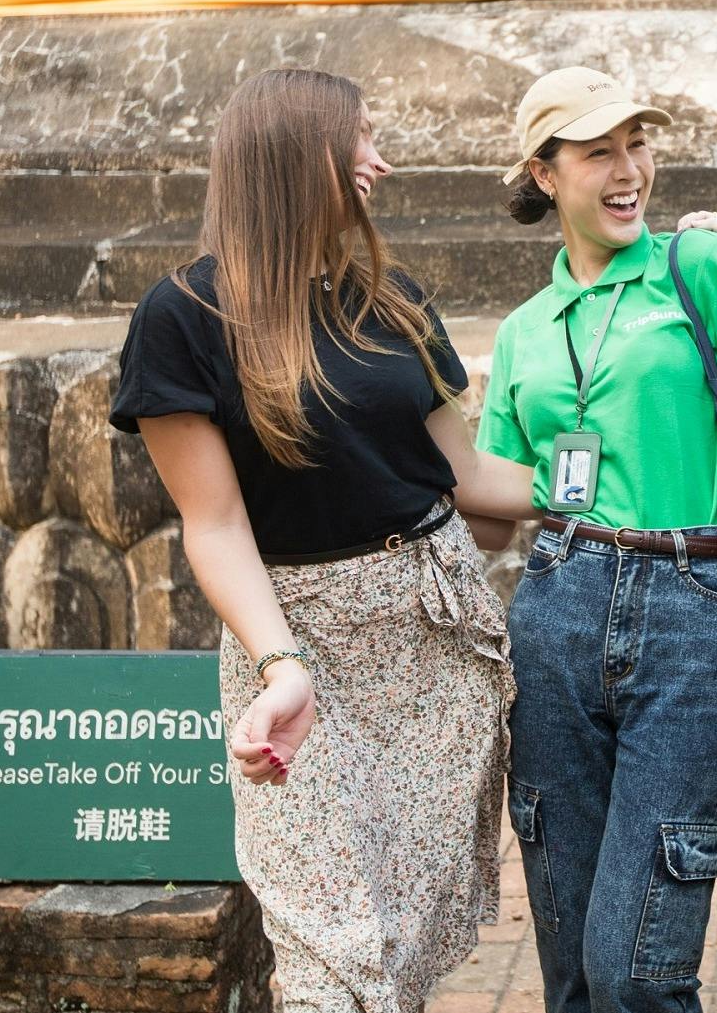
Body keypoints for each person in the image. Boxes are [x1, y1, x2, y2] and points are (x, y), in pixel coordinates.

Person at [109, 67, 545, 1013]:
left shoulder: (390, 300)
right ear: (295, 156)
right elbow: (215, 524)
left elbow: (467, 479)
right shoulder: (181, 317)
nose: (379, 164)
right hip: (298, 642)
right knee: (328, 952)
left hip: (431, 642)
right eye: (362, 144)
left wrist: (611, 492)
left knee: (394, 941)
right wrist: (281, 665)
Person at [479, 65, 717, 1013]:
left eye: (639, 145)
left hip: (689, 607)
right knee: (575, 974)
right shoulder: (524, 332)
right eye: (599, 152)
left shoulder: (693, 267)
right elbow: (495, 502)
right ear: (545, 174)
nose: (630, 171)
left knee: (637, 969)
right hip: (556, 605)